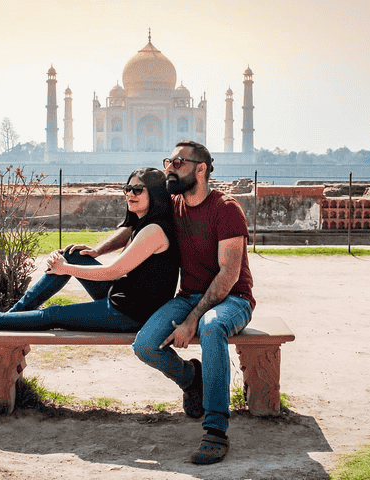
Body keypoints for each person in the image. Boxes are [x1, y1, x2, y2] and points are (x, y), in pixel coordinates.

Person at [132, 141, 255, 465]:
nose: (169, 168)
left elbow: (228, 275)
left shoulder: (226, 209)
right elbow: (137, 228)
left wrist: (192, 321)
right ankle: (191, 378)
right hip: (188, 297)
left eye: (178, 162)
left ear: (201, 169)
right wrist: (98, 252)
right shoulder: (173, 204)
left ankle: (215, 429)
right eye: (169, 161)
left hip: (232, 299)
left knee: (212, 326)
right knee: (145, 345)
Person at [0, 167, 179, 335]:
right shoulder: (143, 223)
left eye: (138, 190)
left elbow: (113, 272)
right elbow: (125, 234)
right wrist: (92, 253)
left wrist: (64, 269)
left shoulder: (154, 231)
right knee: (73, 253)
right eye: (128, 188)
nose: (130, 194)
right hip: (125, 300)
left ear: (155, 195)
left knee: (53, 315)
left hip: (132, 314)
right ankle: (9, 319)